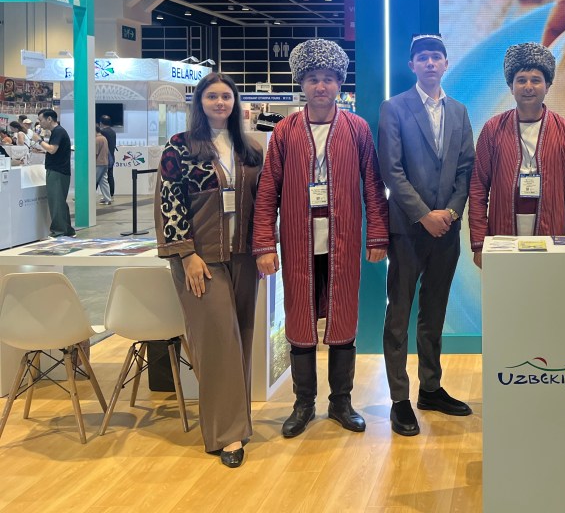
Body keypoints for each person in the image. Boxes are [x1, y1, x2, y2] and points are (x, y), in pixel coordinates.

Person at [253, 39, 389, 438]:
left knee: (343, 316)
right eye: (313, 79)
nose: (321, 86)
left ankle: (341, 402)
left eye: (328, 78)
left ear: (339, 83)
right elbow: (267, 191)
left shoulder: (357, 128)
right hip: (298, 243)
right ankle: (303, 404)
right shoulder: (285, 131)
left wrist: (377, 236)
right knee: (299, 320)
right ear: (302, 83)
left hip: (343, 242)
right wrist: (264, 244)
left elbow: (373, 186)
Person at [155, 72, 264, 468]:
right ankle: (227, 434)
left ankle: (237, 421)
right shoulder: (180, 147)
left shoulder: (250, 148)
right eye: (212, 96)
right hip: (202, 259)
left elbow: (263, 201)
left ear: (235, 103)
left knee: (241, 339)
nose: (220, 103)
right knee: (218, 342)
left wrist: (265, 246)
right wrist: (186, 254)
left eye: (226, 97)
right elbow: (170, 203)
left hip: (244, 256)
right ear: (199, 102)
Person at [377, 34, 476, 437]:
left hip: (447, 231)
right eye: (423, 58)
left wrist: (450, 213)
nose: (430, 63)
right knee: (398, 315)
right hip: (407, 230)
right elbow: (391, 170)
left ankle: (430, 389)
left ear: (446, 63)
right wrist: (424, 215)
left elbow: (466, 170)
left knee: (434, 314)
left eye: (436, 57)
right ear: (412, 65)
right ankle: (400, 399)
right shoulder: (394, 108)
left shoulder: (459, 112)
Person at [469, 42, 565, 266]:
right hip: (502, 234)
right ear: (511, 86)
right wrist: (479, 243)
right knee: (507, 286)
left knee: (548, 287)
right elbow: (477, 189)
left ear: (548, 85)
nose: (528, 87)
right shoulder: (493, 129)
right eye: (521, 80)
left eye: (536, 80)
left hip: (554, 232)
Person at [35, 108, 74, 237]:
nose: (40, 123)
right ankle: (67, 230)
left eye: (41, 120)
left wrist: (39, 140)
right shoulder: (58, 131)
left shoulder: (58, 131)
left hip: (57, 171)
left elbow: (52, 149)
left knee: (56, 201)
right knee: (60, 201)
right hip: (60, 171)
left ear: (49, 119)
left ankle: (58, 231)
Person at [99, 115, 117, 197]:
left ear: (101, 123)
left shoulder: (102, 132)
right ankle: (111, 193)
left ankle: (106, 194)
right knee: (110, 175)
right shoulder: (113, 132)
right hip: (111, 156)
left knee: (101, 176)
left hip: (104, 157)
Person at [94, 125, 112, 205]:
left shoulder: (97, 139)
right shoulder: (104, 138)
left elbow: (95, 153)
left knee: (93, 181)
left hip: (98, 163)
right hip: (105, 162)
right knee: (103, 181)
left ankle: (86, 198)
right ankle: (107, 198)